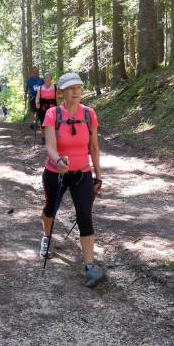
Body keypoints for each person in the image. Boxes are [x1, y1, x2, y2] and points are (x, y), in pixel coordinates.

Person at [40, 72, 105, 288]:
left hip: (82, 173)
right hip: (55, 173)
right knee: (51, 208)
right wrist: (58, 161)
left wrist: (98, 176)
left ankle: (90, 267)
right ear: (61, 93)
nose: (76, 91)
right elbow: (50, 146)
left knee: (85, 214)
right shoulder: (52, 114)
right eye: (71, 88)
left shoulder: (89, 114)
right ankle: (47, 238)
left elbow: (94, 148)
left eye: (78, 87)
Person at [35, 71, 57, 145]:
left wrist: (59, 106)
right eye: (46, 78)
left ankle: (52, 138)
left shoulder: (55, 87)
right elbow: (37, 97)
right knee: (43, 123)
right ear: (44, 79)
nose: (47, 79)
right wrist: (37, 103)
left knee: (53, 122)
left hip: (52, 107)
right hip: (43, 107)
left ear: (51, 79)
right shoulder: (40, 88)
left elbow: (58, 98)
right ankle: (44, 138)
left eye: (48, 78)